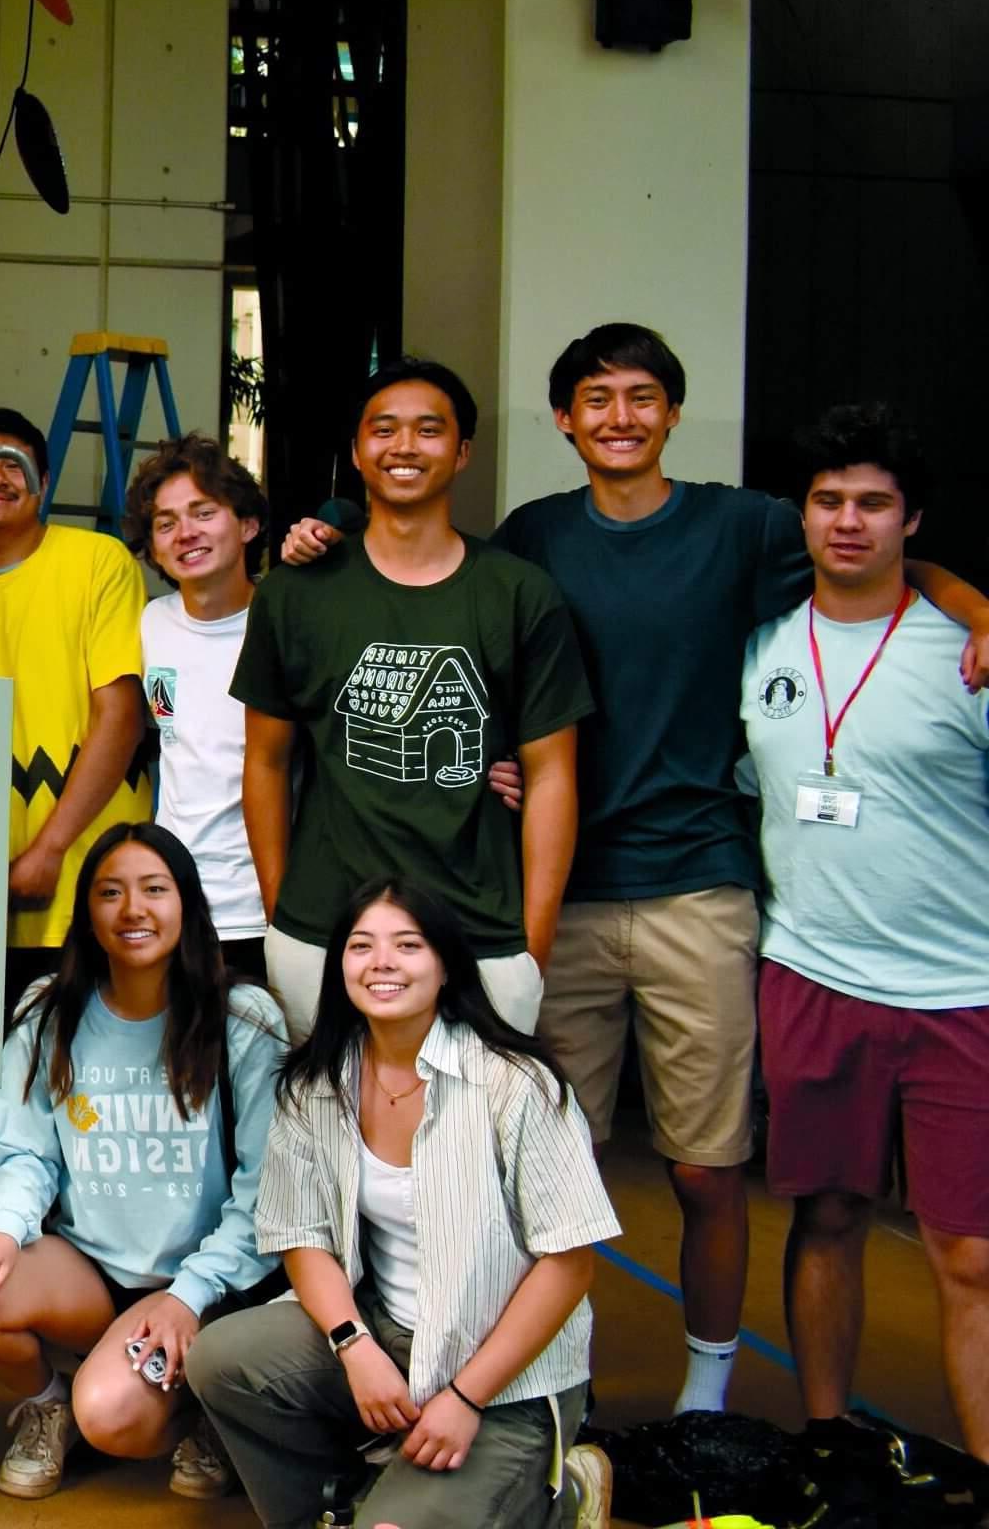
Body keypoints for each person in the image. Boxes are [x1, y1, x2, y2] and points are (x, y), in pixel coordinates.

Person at [289, 326, 989, 1416]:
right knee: (532, 1172)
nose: (620, 416)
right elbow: (416, 550)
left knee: (709, 1170)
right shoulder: (535, 537)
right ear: (564, 421)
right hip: (555, 897)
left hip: (699, 887)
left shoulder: (747, 526)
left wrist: (977, 604)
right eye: (597, 399)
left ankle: (705, 1396)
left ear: (672, 413)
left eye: (643, 397)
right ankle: (542, 1389)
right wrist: (326, 522)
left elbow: (882, 549)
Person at [185, 880, 618, 1529]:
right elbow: (303, 1238)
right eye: (361, 946)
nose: (381, 961)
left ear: (446, 968)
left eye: (408, 945)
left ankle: (562, 1498)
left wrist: (466, 1397)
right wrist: (354, 1346)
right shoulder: (318, 1083)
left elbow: (568, 1266)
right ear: (341, 969)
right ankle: (348, 1508)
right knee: (221, 1360)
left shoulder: (516, 1084)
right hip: (387, 1337)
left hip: (503, 1380)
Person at [739, 404, 989, 1455]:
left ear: (912, 521)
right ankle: (831, 1444)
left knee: (969, 1254)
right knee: (826, 1216)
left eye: (873, 504)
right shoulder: (756, 642)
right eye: (830, 500)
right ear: (801, 515)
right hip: (812, 973)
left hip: (959, 989)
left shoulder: (970, 654)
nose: (849, 521)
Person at [232, 360, 593, 1037]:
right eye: (384, 429)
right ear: (357, 451)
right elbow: (266, 761)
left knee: (470, 1140)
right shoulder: (295, 591)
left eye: (429, 430)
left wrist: (532, 945)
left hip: (480, 931)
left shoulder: (518, 594)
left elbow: (552, 776)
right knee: (329, 1131)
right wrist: (286, 909)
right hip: (324, 930)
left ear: (461, 453)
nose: (404, 446)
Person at [0, 822, 284, 1503]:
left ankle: (210, 1416)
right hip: (91, 1273)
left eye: (155, 890)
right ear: (86, 912)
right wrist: (2, 1230)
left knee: (114, 1417)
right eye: (109, 892)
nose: (132, 910)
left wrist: (191, 1296)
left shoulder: (243, 1019)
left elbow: (265, 1193)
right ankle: (46, 1406)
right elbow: (26, 1151)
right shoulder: (50, 1011)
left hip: (206, 1287)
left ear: (188, 905)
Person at [0, 408, 152, 999]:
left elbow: (120, 715)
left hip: (84, 867)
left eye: (13, 464)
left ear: (43, 484)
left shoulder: (99, 562)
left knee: (86, 1072)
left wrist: (50, 848)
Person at [124, 435, 274, 972]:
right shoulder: (149, 624)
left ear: (248, 525)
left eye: (203, 512)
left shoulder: (282, 623)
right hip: (176, 906)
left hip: (266, 910)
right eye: (165, 523)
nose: (185, 532)